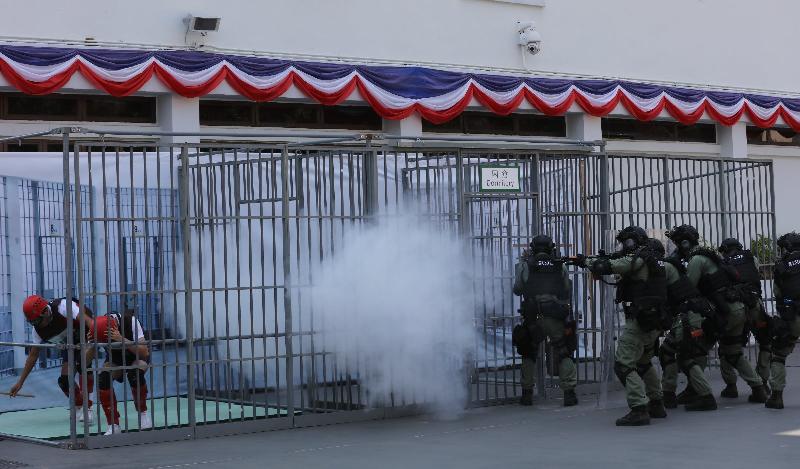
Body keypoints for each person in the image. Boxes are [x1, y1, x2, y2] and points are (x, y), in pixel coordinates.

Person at [573, 226, 667, 426]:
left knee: (623, 364)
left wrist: (586, 262)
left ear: (634, 241)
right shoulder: (653, 257)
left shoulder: (639, 258)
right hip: (654, 318)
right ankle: (656, 402)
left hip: (640, 320)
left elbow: (611, 266)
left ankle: (639, 408)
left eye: (626, 242)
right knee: (643, 361)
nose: (624, 246)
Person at [666, 225, 767, 403]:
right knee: (733, 352)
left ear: (684, 243)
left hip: (724, 312)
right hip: (737, 309)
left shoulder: (697, 260)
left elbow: (688, 288)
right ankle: (758, 388)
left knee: (695, 350)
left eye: (677, 243)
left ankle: (697, 391)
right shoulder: (712, 255)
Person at [512, 235, 578, 407]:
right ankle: (569, 393)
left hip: (533, 316)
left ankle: (527, 394)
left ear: (533, 248)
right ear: (551, 247)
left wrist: (521, 265)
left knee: (528, 352)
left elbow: (517, 289)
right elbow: (566, 288)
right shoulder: (559, 265)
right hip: (554, 315)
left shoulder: (527, 265)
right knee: (564, 351)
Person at [8, 295, 96, 423]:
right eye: (32, 322)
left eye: (37, 321)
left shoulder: (63, 307)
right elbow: (33, 356)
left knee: (83, 366)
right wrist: (20, 382)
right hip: (69, 343)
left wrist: (92, 343)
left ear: (45, 312)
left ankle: (88, 408)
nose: (36, 325)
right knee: (64, 381)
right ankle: (79, 407)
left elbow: (90, 322)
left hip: (86, 335)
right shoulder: (37, 331)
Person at [653, 239, 717, 411]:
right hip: (691, 315)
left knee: (684, 356)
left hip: (689, 316)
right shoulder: (672, 266)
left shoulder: (664, 268)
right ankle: (669, 394)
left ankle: (706, 396)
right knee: (670, 352)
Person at [717, 238, 771, 395]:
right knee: (766, 342)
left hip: (736, 307)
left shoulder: (724, 262)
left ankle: (731, 385)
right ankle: (763, 380)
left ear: (725, 249)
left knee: (728, 345)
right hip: (755, 304)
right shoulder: (750, 257)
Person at [90, 310, 152, 435]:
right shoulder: (96, 328)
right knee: (103, 379)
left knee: (135, 375)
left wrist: (121, 339)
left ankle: (143, 413)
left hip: (136, 356)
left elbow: (144, 352)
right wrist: (91, 345)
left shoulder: (132, 322)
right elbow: (84, 361)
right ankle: (113, 424)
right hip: (115, 359)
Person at [766, 232, 800, 409]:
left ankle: (776, 396)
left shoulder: (781, 266)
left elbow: (777, 293)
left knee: (779, 354)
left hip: (793, 316)